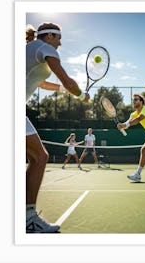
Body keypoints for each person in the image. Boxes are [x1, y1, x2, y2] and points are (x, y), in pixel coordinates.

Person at [26, 22, 90, 233]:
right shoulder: (46, 48)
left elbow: (43, 84)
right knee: (39, 158)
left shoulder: (32, 49)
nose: (60, 43)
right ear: (50, 36)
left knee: (37, 157)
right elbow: (65, 79)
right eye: (59, 38)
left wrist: (65, 89)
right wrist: (80, 96)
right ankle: (28, 219)